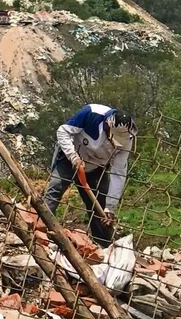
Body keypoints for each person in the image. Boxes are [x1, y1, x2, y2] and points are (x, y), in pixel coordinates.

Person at [43, 104, 136, 247]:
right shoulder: (91, 114)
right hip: (70, 158)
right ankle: (41, 230)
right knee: (54, 189)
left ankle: (103, 246)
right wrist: (73, 157)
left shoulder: (127, 137)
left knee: (100, 208)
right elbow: (63, 131)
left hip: (96, 169)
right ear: (107, 125)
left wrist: (110, 207)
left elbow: (119, 173)